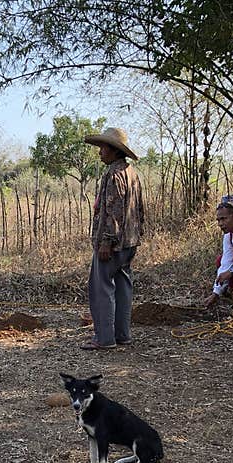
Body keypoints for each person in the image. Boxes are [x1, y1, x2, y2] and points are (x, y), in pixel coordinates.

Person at [81, 127, 145, 350]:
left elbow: (114, 210)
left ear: (114, 150)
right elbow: (139, 210)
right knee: (122, 287)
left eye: (102, 148)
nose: (100, 152)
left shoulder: (114, 175)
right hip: (129, 241)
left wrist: (107, 240)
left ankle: (105, 339)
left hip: (113, 243)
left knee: (102, 288)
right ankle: (122, 335)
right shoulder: (132, 173)